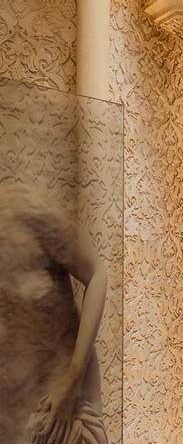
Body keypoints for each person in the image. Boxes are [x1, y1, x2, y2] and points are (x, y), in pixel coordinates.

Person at [1, 182, 107, 444]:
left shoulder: (27, 208)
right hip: (12, 418)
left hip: (61, 411)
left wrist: (72, 379)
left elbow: (96, 273)